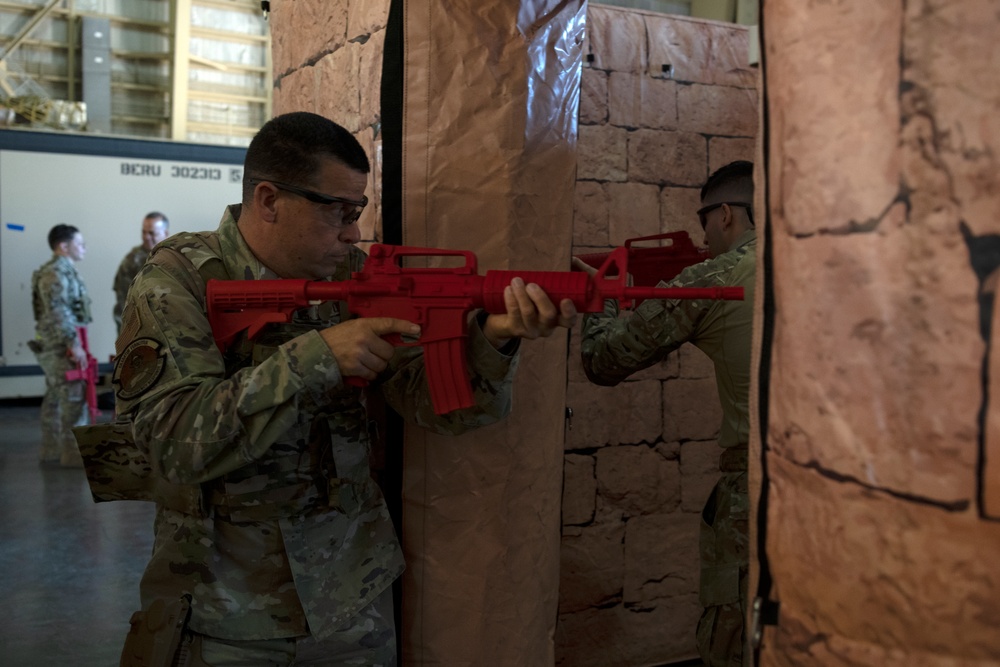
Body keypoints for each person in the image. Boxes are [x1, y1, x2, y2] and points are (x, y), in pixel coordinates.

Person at [107, 111, 577, 666]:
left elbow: (438, 407)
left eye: (359, 211)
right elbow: (170, 443)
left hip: (354, 598)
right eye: (340, 211)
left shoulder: (353, 275)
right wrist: (318, 356)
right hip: (226, 612)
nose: (355, 231)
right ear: (268, 200)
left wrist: (493, 339)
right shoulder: (176, 281)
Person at [573, 160, 756, 667]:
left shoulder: (713, 277)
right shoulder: (830, 266)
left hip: (757, 495)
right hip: (843, 491)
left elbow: (603, 360)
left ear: (724, 216)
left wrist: (602, 298)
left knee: (735, 643)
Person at [30, 224, 92, 468]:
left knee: (56, 395)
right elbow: (58, 312)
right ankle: (73, 456)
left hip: (58, 341)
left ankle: (52, 450)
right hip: (59, 344)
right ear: (64, 246)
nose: (84, 248)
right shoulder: (55, 273)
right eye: (80, 243)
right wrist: (73, 343)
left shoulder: (64, 271)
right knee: (73, 398)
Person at [113, 211, 169, 333]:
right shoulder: (132, 260)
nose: (147, 237)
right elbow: (123, 299)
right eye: (144, 232)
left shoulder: (174, 256)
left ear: (165, 233)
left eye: (152, 233)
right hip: (140, 328)